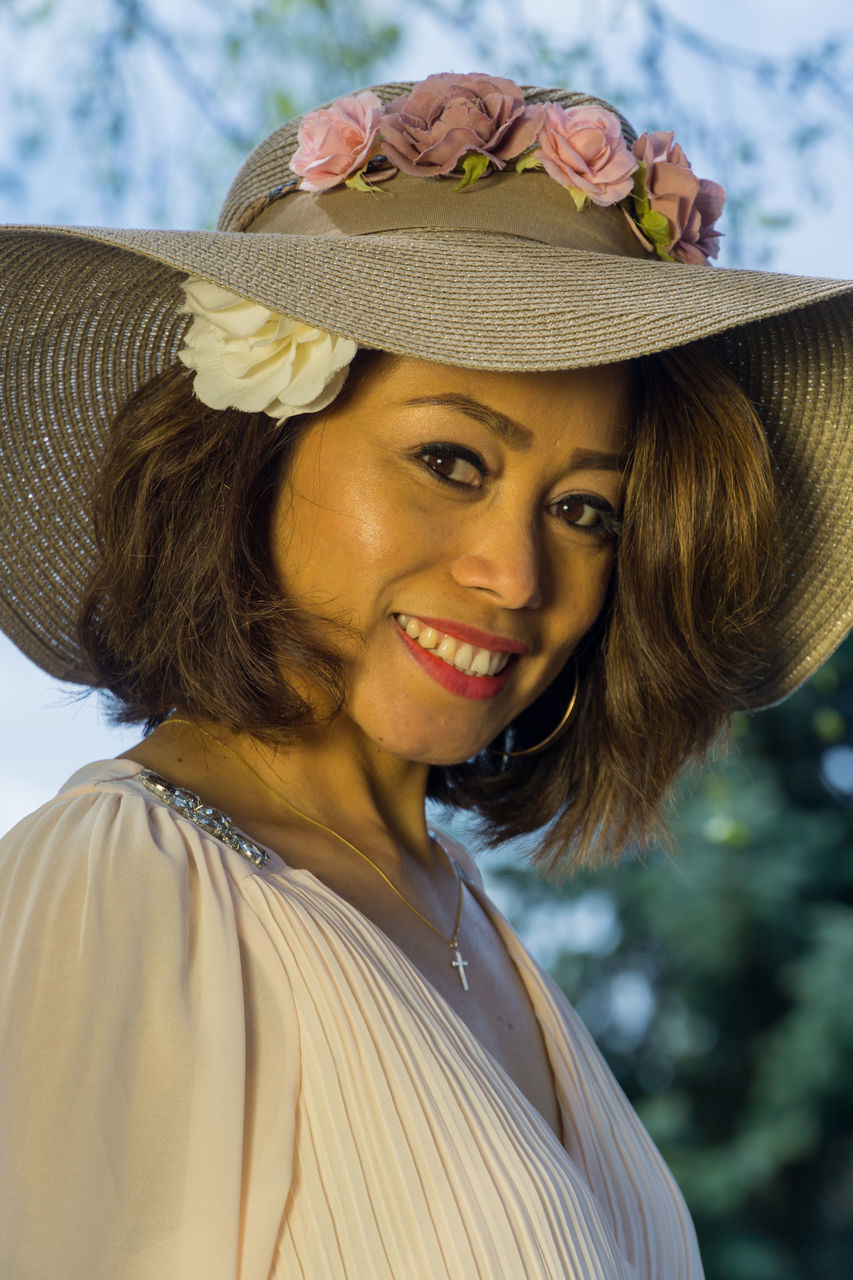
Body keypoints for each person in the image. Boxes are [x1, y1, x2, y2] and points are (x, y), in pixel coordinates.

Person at [0, 73, 850, 1279]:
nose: (515, 573)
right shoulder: (123, 896)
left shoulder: (462, 917)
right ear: (251, 453)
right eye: (450, 459)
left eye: (584, 510)